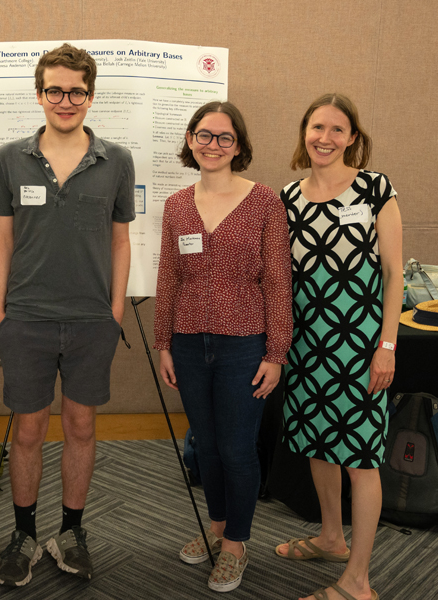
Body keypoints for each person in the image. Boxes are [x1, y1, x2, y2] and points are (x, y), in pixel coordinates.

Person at [0, 43, 135, 587]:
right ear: (39, 94)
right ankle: (24, 533)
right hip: (25, 318)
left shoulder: (116, 160)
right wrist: (1, 312)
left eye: (76, 91)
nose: (65, 100)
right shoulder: (11, 157)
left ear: (91, 97)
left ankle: (71, 530)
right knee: (27, 430)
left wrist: (115, 309)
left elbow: (121, 242)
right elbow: (2, 240)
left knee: (80, 425)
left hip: (92, 321)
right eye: (55, 90)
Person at [154, 101, 292, 593]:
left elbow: (278, 282)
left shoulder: (263, 201)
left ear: (239, 146)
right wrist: (163, 344)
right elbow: (168, 278)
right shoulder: (175, 205)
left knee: (236, 448)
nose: (213, 145)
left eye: (224, 138)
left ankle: (236, 544)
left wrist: (276, 353)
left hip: (244, 347)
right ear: (190, 140)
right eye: (204, 135)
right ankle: (215, 529)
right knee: (206, 446)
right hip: (189, 344)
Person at [276, 93, 402, 600]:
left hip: (360, 346)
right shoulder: (287, 197)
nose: (324, 138)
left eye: (336, 129)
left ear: (353, 137)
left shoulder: (375, 189)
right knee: (318, 443)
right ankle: (331, 537)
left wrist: (387, 345)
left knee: (361, 457)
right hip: (307, 345)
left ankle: (358, 581)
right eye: (316, 127)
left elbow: (394, 275)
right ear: (304, 132)